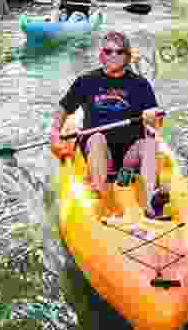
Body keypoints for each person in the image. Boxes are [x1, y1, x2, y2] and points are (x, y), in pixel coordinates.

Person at [49, 31, 165, 220]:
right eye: (108, 51)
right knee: (96, 138)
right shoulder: (86, 81)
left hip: (130, 153)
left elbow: (156, 123)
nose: (113, 55)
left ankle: (150, 202)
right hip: (99, 150)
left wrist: (153, 117)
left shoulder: (140, 84)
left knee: (150, 144)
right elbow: (64, 108)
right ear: (101, 55)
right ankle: (104, 202)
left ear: (127, 56)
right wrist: (54, 131)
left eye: (119, 52)